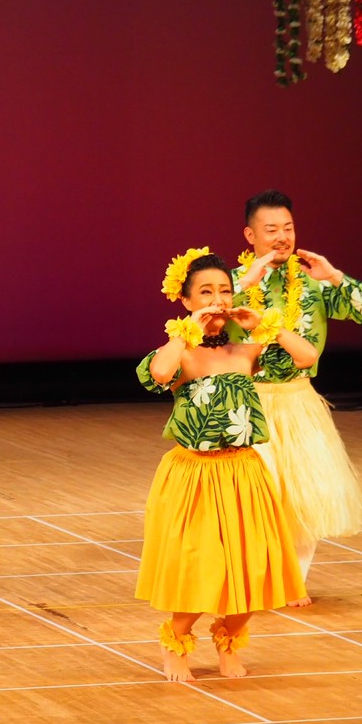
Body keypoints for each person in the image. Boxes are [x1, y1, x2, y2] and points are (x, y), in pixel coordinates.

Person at [136, 249, 317, 681]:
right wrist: (186, 332)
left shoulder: (246, 352)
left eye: (223, 290)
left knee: (254, 569)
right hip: (194, 474)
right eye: (205, 292)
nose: (217, 300)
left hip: (244, 472)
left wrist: (264, 326)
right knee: (201, 567)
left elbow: (306, 357)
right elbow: (157, 374)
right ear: (185, 300)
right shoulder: (181, 355)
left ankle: (229, 639)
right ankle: (175, 643)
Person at [228, 190, 362, 605]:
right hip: (248, 402)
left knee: (303, 496)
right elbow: (197, 312)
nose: (282, 237)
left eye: (289, 228)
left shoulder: (314, 285)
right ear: (250, 235)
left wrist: (335, 276)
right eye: (271, 230)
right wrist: (242, 284)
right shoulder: (231, 285)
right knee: (255, 494)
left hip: (299, 400)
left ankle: (293, 580)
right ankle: (253, 577)